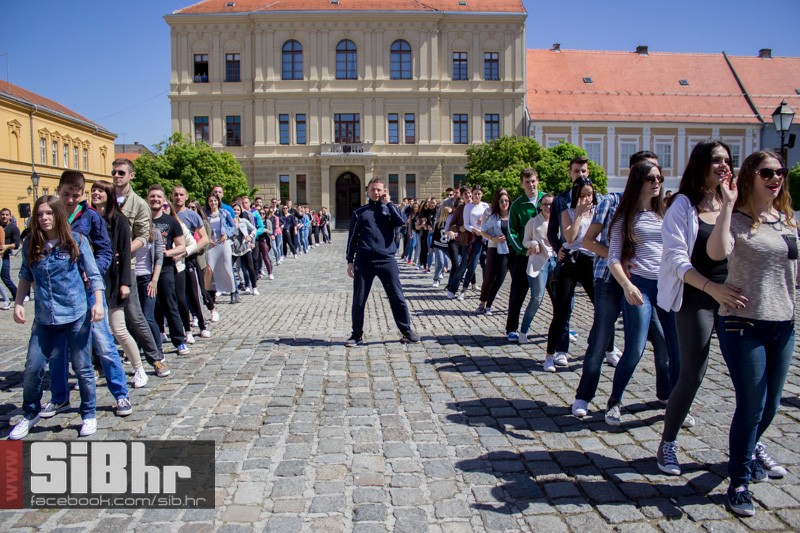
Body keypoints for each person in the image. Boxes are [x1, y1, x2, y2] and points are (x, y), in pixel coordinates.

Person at [707, 151, 796, 517]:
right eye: (766, 173)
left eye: (780, 172)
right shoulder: (739, 221)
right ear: (751, 177)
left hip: (784, 324)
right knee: (752, 404)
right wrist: (727, 205)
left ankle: (746, 452)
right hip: (743, 324)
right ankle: (739, 481)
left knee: (771, 405)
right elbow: (716, 252)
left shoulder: (787, 220)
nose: (775, 178)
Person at [656, 141, 743, 475]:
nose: (723, 165)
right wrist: (713, 289)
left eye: (727, 160)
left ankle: (752, 444)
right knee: (693, 373)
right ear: (701, 165)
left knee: (748, 377)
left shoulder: (733, 202)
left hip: (733, 296)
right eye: (716, 160)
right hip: (696, 297)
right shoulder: (683, 205)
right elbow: (677, 260)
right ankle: (668, 443)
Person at [571, 150, 659, 418]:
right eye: (648, 172)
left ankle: (667, 393)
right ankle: (583, 396)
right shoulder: (613, 201)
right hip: (609, 281)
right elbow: (587, 241)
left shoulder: (657, 206)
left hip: (644, 282)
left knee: (661, 339)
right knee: (600, 338)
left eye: (657, 173)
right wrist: (617, 257)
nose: (655, 179)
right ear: (633, 174)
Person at [8, 196, 103, 439]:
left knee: (82, 368)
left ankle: (89, 413)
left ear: (58, 215)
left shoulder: (75, 240)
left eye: (49, 213)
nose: (44, 218)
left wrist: (99, 303)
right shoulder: (31, 243)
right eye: (40, 214)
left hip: (75, 314)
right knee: (33, 368)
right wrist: (19, 302)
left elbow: (93, 274)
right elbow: (25, 274)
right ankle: (30, 413)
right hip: (44, 317)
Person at [46, 171, 132, 419]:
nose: (70, 199)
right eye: (66, 194)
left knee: (104, 344)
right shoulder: (49, 216)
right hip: (58, 295)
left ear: (82, 194)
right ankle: (60, 398)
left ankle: (120, 393)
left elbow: (106, 250)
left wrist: (93, 271)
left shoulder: (91, 217)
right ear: (58, 191)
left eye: (75, 195)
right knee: (58, 350)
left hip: (86, 291)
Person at [603, 162, 679, 426]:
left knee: (670, 346)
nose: (656, 182)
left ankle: (671, 398)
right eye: (650, 178)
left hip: (667, 289)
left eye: (659, 177)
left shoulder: (665, 216)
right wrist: (627, 284)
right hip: (640, 288)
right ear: (638, 181)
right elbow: (613, 258)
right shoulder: (624, 219)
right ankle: (614, 402)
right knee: (634, 349)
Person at [111, 158, 170, 377]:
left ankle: (155, 358)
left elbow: (144, 236)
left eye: (121, 173)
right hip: (102, 267)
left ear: (131, 175)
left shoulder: (138, 204)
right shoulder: (106, 200)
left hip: (128, 266)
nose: (117, 176)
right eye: (114, 172)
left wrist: (123, 251)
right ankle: (97, 365)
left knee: (136, 316)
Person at [345, 177, 419, 346]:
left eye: (379, 190)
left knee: (397, 296)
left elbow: (401, 223)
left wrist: (389, 204)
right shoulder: (360, 212)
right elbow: (352, 239)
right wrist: (350, 261)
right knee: (359, 299)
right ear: (367, 191)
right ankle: (356, 334)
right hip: (364, 261)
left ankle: (406, 331)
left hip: (387, 260)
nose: (376, 193)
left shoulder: (389, 209)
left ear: (384, 191)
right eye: (373, 190)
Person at [91, 180, 148, 389]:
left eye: (99, 190)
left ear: (108, 194)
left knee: (119, 329)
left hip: (114, 278)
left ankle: (139, 368)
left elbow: (125, 254)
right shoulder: (87, 218)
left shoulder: (119, 220)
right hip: (93, 279)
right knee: (93, 330)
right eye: (93, 190)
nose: (95, 193)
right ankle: (96, 370)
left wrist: (125, 283)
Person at [543, 178, 597, 371]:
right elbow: (570, 237)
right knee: (561, 311)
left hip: (590, 262)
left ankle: (600, 348)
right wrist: (580, 215)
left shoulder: (598, 212)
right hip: (571, 261)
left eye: (589, 194)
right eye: (582, 195)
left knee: (602, 308)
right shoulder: (568, 211)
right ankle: (550, 355)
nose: (586, 198)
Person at [505, 168, 545, 341]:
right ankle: (511, 328)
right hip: (525, 256)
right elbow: (511, 232)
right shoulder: (518, 205)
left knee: (557, 294)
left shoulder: (547, 200)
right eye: (527, 182)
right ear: (522, 183)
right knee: (518, 293)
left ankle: (564, 328)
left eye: (533, 181)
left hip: (546, 257)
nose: (531, 185)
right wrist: (522, 250)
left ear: (538, 181)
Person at [148, 185, 189, 354]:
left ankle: (179, 340)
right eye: (152, 196)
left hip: (165, 268)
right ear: (147, 199)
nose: (155, 199)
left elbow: (182, 246)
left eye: (159, 197)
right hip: (144, 268)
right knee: (148, 308)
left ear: (164, 200)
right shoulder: (142, 220)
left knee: (170, 304)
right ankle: (148, 342)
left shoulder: (171, 221)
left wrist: (167, 252)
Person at [172, 187, 213, 338]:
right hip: (172, 260)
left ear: (186, 197)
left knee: (195, 294)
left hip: (189, 258)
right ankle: (183, 328)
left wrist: (188, 250)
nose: (178, 197)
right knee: (178, 296)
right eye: (175, 194)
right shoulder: (168, 214)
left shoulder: (192, 215)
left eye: (181, 194)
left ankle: (202, 324)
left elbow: (204, 239)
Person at [519, 193, 556, 343]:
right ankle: (524, 330)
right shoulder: (533, 222)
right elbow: (525, 240)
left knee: (560, 300)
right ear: (540, 206)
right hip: (539, 263)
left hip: (555, 262)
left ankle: (564, 329)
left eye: (551, 204)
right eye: (545, 204)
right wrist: (532, 244)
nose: (548, 207)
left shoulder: (558, 221)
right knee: (537, 298)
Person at [447, 185, 489, 299]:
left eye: (470, 193)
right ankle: (453, 288)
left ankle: (487, 289)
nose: (469, 196)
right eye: (466, 194)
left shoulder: (484, 205)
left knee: (485, 264)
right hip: (468, 240)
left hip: (483, 239)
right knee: (464, 265)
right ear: (462, 196)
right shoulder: (461, 208)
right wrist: (459, 228)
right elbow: (453, 224)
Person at [476, 190, 511, 315]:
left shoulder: (513, 213)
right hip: (494, 247)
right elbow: (483, 230)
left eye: (506, 200)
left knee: (516, 278)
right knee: (491, 275)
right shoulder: (490, 213)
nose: (504, 202)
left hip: (511, 249)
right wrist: (493, 238)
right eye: (501, 200)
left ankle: (514, 305)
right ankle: (483, 303)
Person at [204, 193, 238, 304]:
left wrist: (227, 234)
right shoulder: (205, 214)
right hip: (211, 244)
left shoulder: (224, 212)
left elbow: (233, 226)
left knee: (227, 267)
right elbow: (201, 229)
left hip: (223, 243)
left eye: (215, 201)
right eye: (211, 201)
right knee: (210, 269)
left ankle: (233, 292)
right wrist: (207, 239)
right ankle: (209, 293)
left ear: (218, 201)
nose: (213, 203)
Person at [231, 203, 259, 295]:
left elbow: (254, 229)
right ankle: (231, 288)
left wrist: (250, 236)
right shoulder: (229, 221)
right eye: (234, 209)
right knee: (229, 268)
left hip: (245, 247)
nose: (236, 211)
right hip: (234, 249)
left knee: (249, 268)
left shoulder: (244, 221)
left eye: (238, 210)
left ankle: (254, 287)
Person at [1, 207, 21, 303]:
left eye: (6, 214)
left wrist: (7, 246)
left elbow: (16, 245)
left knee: (5, 277)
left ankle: (17, 295)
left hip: (4, 257)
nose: (4, 216)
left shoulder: (13, 228)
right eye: (2, 214)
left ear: (9, 216)